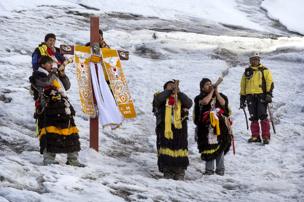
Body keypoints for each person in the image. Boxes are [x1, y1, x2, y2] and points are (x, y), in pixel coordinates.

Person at [29, 56, 84, 167]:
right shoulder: (37, 75)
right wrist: (54, 72)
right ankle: (49, 159)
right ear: (43, 65)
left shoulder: (53, 74)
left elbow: (67, 86)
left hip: (63, 107)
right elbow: (45, 83)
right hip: (48, 108)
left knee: (70, 132)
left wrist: (62, 74)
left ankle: (73, 159)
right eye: (49, 63)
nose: (52, 65)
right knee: (50, 133)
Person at [152, 80, 192, 180]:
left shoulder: (181, 97)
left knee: (180, 149)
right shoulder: (160, 96)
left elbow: (189, 103)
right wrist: (168, 91)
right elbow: (157, 101)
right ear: (165, 88)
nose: (172, 87)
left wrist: (178, 92)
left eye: (174, 85)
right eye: (169, 85)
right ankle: (167, 171)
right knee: (166, 149)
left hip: (180, 130)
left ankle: (179, 171)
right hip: (165, 129)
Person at [193, 78, 231, 176]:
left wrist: (216, 92)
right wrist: (212, 91)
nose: (209, 85)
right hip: (205, 127)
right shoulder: (199, 98)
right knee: (208, 147)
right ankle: (209, 171)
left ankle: (220, 170)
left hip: (220, 126)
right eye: (207, 84)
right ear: (202, 88)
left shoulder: (220, 96)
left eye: (210, 84)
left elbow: (223, 103)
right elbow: (205, 102)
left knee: (220, 147)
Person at [240, 53, 274, 144]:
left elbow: (269, 83)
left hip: (261, 97)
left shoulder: (265, 70)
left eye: (256, 59)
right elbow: (243, 86)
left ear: (259, 60)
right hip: (250, 97)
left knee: (262, 116)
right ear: (250, 60)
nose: (254, 61)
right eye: (252, 59)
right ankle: (255, 136)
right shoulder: (247, 72)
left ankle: (266, 136)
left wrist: (269, 94)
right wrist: (242, 99)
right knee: (253, 117)